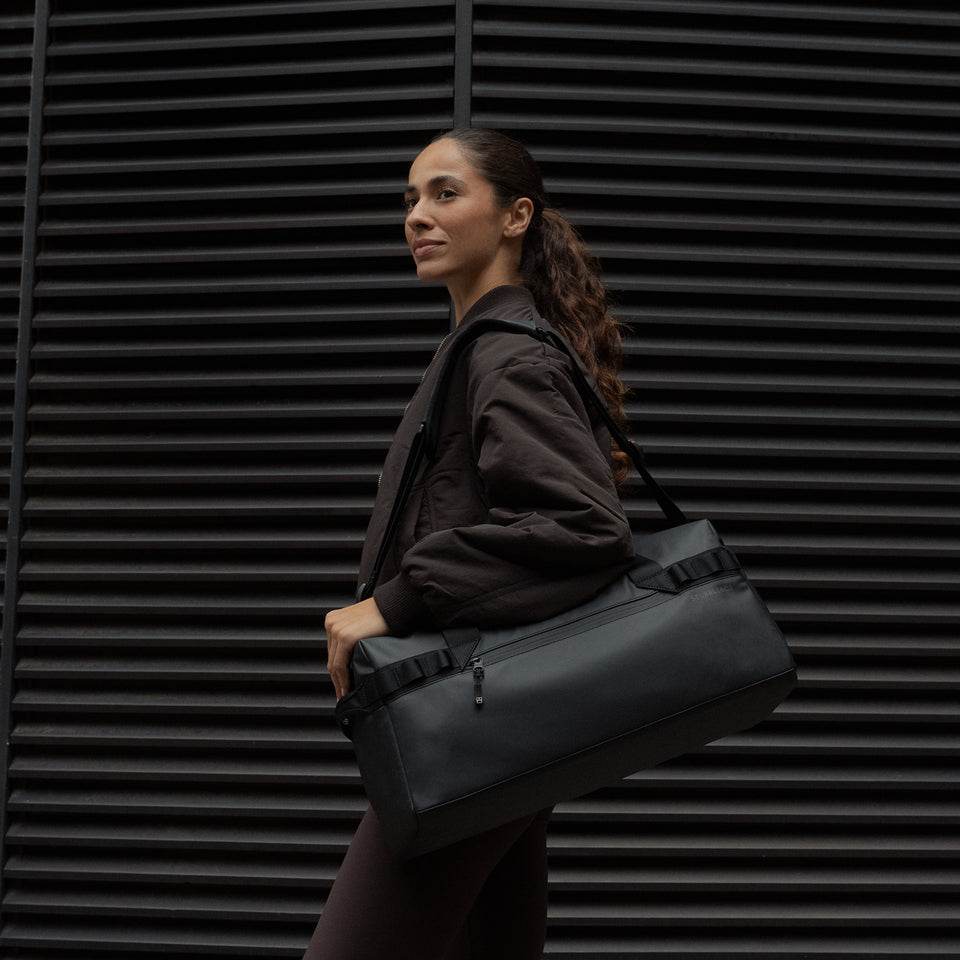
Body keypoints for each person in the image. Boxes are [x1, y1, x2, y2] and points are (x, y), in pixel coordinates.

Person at [302, 127, 635, 960]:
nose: (418, 215)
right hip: (492, 719)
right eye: (410, 198)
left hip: (473, 727)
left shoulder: (502, 358)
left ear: (516, 215)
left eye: (445, 194)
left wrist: (398, 600)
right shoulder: (479, 349)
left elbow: (583, 524)